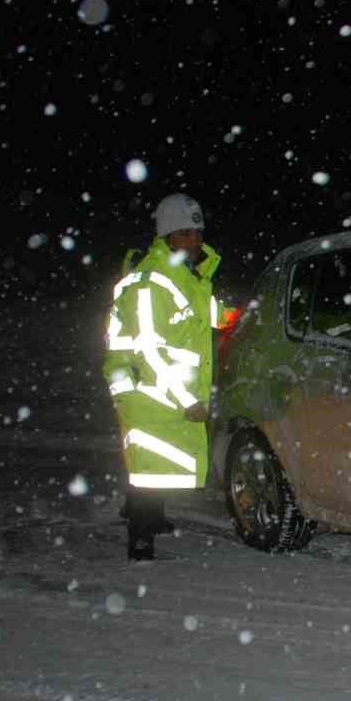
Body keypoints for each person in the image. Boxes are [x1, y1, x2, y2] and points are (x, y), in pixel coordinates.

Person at [102, 193, 226, 560]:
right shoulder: (150, 280)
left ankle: (150, 517)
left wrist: (242, 318)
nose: (195, 241)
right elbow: (148, 348)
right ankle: (140, 539)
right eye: (186, 233)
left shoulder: (186, 277)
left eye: (197, 233)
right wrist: (186, 400)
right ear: (168, 235)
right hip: (145, 387)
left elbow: (208, 315)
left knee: (157, 462)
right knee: (148, 467)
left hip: (161, 386)